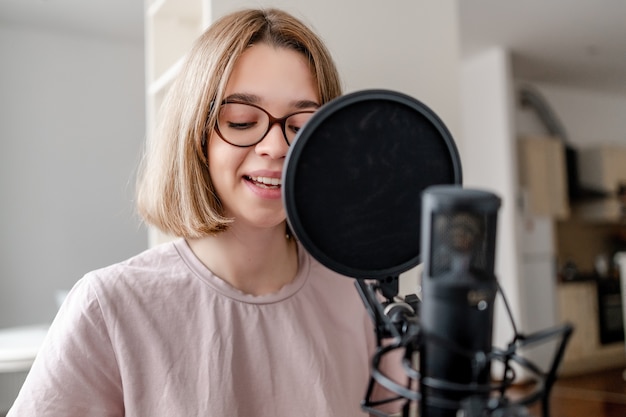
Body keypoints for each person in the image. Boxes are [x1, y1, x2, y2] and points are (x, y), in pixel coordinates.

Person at [7, 8, 401, 417]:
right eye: (243, 121)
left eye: (302, 126)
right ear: (196, 135)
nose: (277, 147)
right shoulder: (109, 308)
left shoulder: (366, 299)